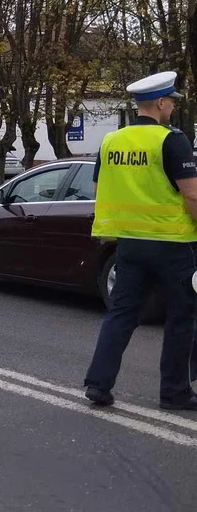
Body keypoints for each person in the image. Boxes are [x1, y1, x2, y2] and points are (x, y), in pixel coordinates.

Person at [83, 70, 197, 411]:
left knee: (121, 314)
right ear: (160, 103)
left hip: (129, 244)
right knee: (181, 317)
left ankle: (97, 384)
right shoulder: (171, 140)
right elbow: (191, 195)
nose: (173, 108)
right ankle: (175, 393)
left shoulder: (111, 141)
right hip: (174, 244)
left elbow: (99, 188)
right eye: (171, 102)